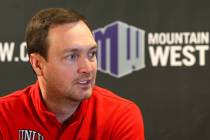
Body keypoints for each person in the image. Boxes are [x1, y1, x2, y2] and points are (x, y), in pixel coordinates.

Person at [0, 8, 144, 140]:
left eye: (91, 54)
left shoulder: (120, 116)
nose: (87, 68)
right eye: (72, 57)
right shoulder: (4, 116)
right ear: (38, 64)